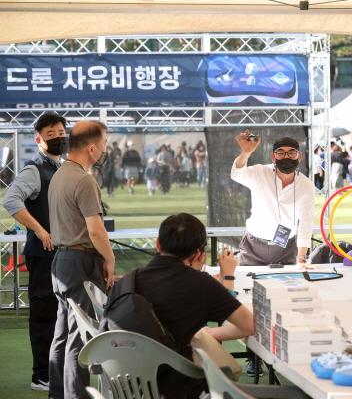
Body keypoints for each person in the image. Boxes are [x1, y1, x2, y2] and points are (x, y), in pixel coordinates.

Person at [124, 213, 254, 398]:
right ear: (200, 254)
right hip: (179, 385)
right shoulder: (200, 284)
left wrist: (206, 333)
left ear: (158, 244)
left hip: (132, 384)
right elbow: (248, 325)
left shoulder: (130, 281)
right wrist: (228, 276)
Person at [47, 120, 115, 399]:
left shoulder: (60, 174)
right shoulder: (84, 180)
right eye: (104, 143)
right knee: (81, 336)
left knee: (62, 334)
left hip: (61, 262)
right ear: (91, 147)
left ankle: (58, 393)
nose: (104, 149)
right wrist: (110, 259)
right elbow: (96, 231)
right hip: (79, 263)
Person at [2, 111, 68, 392]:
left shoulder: (62, 166)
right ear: (38, 139)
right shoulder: (34, 169)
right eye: (50, 134)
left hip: (63, 254)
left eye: (61, 132)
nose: (57, 138)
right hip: (43, 256)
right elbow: (11, 200)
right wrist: (40, 230)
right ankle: (41, 375)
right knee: (45, 316)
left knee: (61, 316)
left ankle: (55, 370)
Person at [231, 130, 315, 266]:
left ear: (299, 157)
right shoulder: (260, 172)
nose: (286, 157)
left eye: (292, 152)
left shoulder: (306, 185)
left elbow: (306, 221)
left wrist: (301, 259)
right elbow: (237, 174)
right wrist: (245, 153)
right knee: (248, 284)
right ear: (273, 157)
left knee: (288, 285)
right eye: (280, 153)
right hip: (253, 246)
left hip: (286, 248)